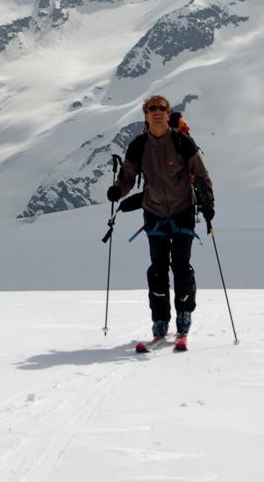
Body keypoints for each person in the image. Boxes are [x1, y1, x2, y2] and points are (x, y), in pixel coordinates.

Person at [107, 94, 215, 347]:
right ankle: (160, 321)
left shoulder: (182, 141)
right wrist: (118, 191)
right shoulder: (138, 145)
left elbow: (201, 175)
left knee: (180, 266)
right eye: (152, 108)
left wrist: (208, 205)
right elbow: (128, 177)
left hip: (183, 211)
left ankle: (184, 316)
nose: (157, 112)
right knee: (157, 269)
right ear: (145, 114)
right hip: (154, 212)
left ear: (168, 114)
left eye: (162, 109)